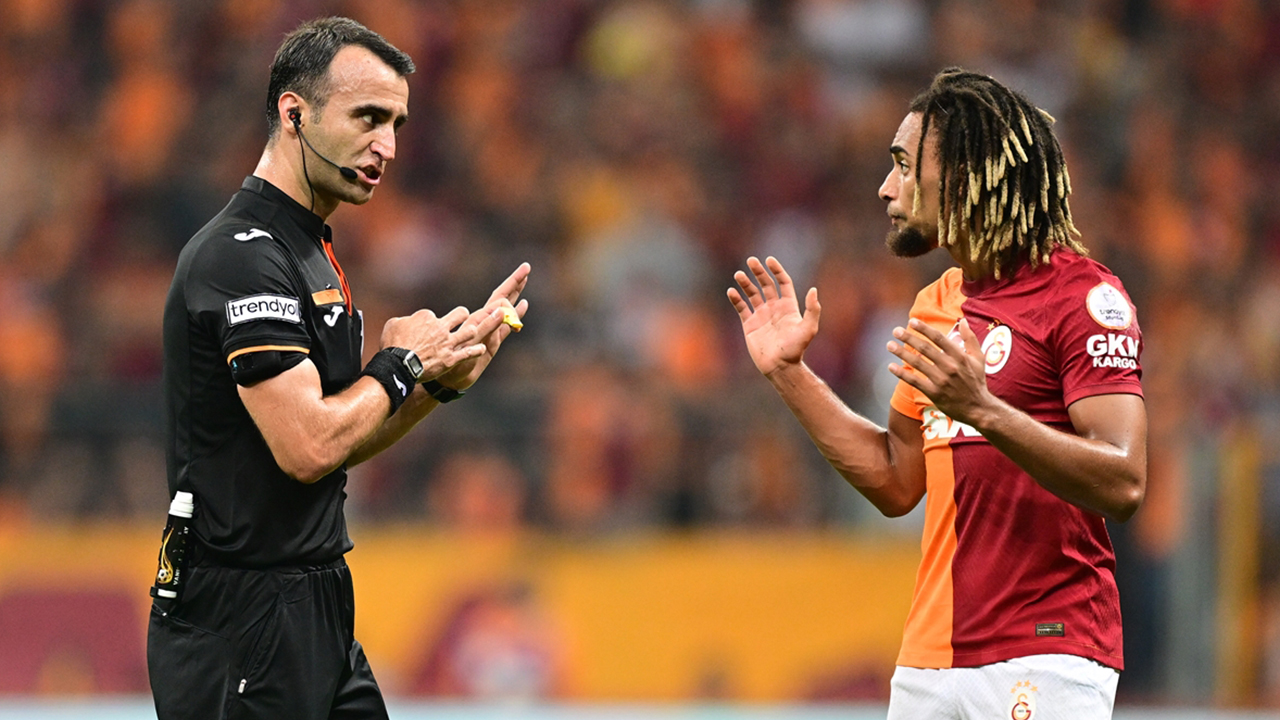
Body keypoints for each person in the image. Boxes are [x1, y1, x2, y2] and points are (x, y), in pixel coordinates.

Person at [728, 67, 1146, 719]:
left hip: (1045, 651)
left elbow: (1124, 480)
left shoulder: (1083, 298)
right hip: (930, 662)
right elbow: (897, 480)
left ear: (963, 175)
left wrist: (983, 410)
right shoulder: (937, 303)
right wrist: (789, 373)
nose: (885, 187)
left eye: (903, 165)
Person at [147, 17, 530, 720]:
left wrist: (434, 385)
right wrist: (403, 363)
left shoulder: (309, 251)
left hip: (314, 601)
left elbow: (338, 439)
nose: (387, 146)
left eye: (396, 124)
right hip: (239, 619)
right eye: (368, 118)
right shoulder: (240, 255)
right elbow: (308, 446)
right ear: (294, 113)